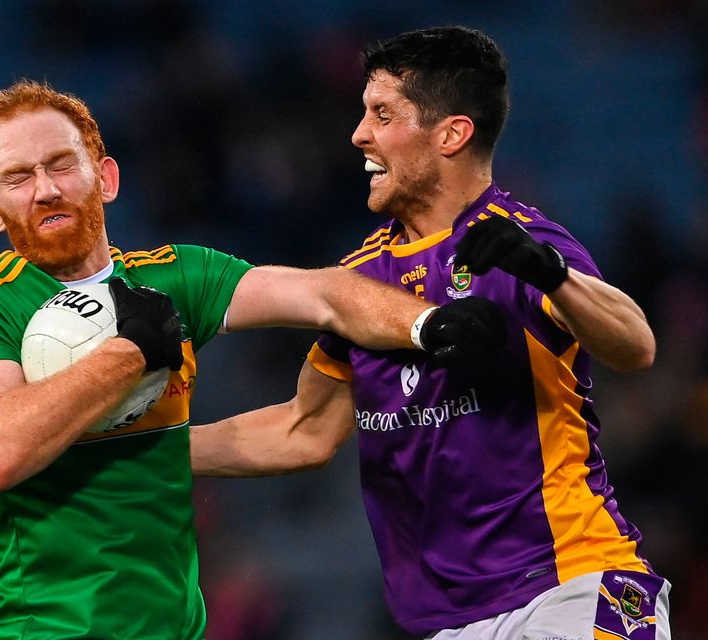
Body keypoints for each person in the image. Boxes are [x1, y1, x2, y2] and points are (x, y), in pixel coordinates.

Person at [0, 80, 505, 639]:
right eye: (17, 177)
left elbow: (323, 294)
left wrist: (424, 323)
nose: (45, 190)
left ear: (105, 177)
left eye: (62, 164)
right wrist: (127, 356)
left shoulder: (174, 276)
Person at [190, 26, 671, 640]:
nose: (358, 134)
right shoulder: (361, 281)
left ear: (451, 133)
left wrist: (551, 275)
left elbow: (636, 345)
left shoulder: (520, 242)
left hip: (571, 586)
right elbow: (302, 430)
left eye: (383, 114)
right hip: (449, 625)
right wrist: (143, 454)